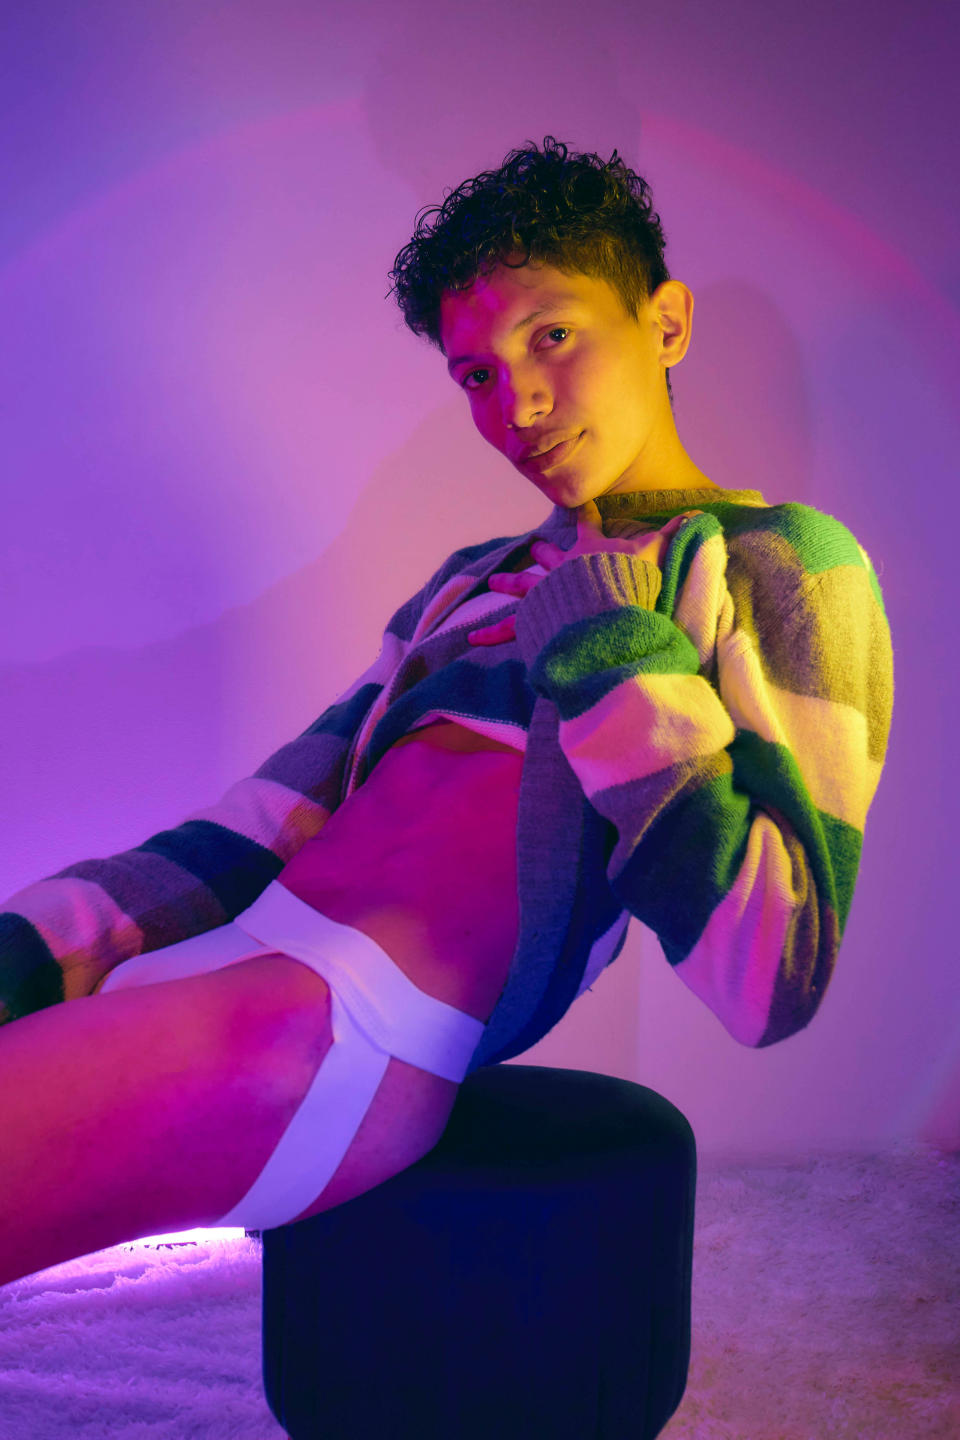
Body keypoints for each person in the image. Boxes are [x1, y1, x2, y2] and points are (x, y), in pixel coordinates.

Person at [0, 136, 893, 1285]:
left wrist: (612, 649)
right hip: (221, 962)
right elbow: (261, 823)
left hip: (341, 1029)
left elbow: (770, 973)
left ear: (665, 323)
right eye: (476, 375)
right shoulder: (470, 580)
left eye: (552, 336)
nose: (518, 404)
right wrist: (38, 945)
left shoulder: (777, 559)